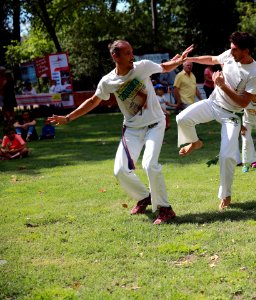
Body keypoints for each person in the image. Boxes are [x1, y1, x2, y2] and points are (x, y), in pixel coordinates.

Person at [49, 40, 194, 224]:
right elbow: (94, 100)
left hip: (155, 125)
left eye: (132, 52)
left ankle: (165, 209)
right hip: (132, 129)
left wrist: (179, 61)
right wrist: (68, 118)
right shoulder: (108, 81)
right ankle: (144, 197)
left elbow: (164, 67)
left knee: (150, 165)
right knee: (119, 170)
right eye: (127, 53)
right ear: (115, 56)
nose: (132, 56)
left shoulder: (142, 67)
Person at [176, 31, 256, 210]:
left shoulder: (255, 72)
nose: (231, 53)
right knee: (182, 118)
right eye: (230, 48)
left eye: (235, 50)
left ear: (246, 50)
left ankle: (226, 194)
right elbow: (212, 59)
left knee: (227, 156)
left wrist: (223, 86)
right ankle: (195, 142)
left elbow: (244, 102)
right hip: (212, 104)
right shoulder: (231, 55)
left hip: (231, 115)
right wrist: (190, 59)